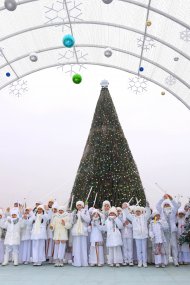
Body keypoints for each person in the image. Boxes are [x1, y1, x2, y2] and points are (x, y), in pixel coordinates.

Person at [124, 203, 151, 268]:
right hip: (137, 236)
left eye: (139, 211)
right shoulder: (133, 217)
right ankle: (140, 262)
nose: (138, 212)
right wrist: (126, 208)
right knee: (139, 250)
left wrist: (147, 207)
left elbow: (148, 213)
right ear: (135, 212)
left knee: (144, 249)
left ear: (141, 212)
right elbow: (127, 214)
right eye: (137, 211)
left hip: (144, 235)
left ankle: (144, 262)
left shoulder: (144, 217)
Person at [156, 194, 179, 266]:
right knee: (166, 246)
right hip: (165, 231)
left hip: (172, 231)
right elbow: (157, 205)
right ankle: (166, 261)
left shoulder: (173, 211)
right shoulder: (161, 211)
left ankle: (176, 261)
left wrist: (171, 199)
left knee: (174, 246)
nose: (166, 205)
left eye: (167, 204)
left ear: (169, 205)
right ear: (163, 206)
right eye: (165, 205)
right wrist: (163, 198)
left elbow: (176, 206)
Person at [71, 201, 90, 267]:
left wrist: (82, 214)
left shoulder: (85, 211)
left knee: (83, 246)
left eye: (80, 205)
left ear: (82, 205)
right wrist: (72, 215)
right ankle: (77, 262)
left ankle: (84, 262)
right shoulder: (75, 212)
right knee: (76, 246)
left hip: (83, 230)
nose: (79, 206)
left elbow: (88, 220)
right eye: (78, 205)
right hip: (76, 231)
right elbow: (72, 221)